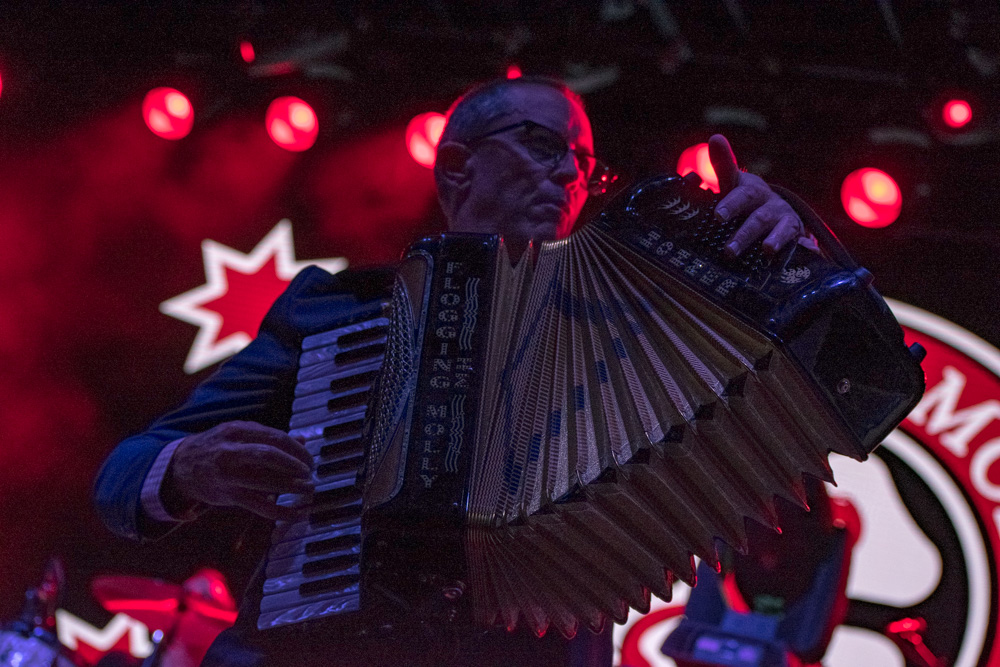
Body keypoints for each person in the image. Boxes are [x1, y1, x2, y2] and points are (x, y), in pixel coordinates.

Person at [94, 76, 816, 666]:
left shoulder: (631, 329)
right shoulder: (338, 312)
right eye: (541, 144)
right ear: (458, 165)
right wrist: (189, 465)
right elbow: (124, 474)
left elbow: (830, 373)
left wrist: (791, 257)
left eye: (582, 162)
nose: (567, 171)